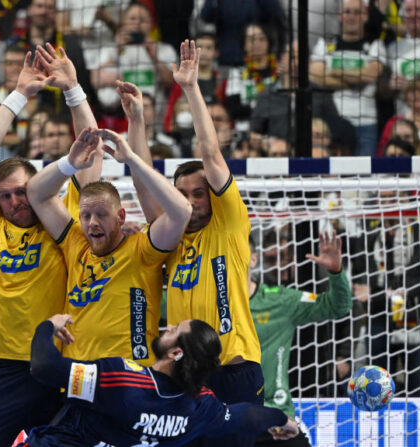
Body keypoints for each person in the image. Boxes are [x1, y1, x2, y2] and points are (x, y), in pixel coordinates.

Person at [0, 45, 104, 447]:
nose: (15, 202)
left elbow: (91, 156)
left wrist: (74, 90)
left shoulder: (59, 223)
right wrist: (20, 92)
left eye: (23, 192)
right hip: (2, 367)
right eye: (5, 196)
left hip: (58, 361)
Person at [162, 40, 261, 447]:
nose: (189, 200)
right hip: (187, 375)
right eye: (181, 193)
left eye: (198, 193)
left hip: (233, 369)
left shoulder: (229, 225)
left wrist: (190, 88)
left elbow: (212, 156)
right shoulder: (170, 238)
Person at [27, 125, 191, 366]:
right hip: (78, 378)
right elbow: (36, 192)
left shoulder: (143, 249)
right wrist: (69, 163)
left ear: (121, 217)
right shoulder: (75, 243)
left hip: (131, 377)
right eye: (86, 215)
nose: (92, 223)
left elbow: (182, 211)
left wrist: (132, 161)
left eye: (102, 214)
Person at [21, 314, 300, 447]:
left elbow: (44, 367)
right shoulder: (199, 406)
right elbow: (245, 414)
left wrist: (47, 326)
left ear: (176, 352)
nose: (168, 326)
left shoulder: (121, 379)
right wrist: (282, 419)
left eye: (175, 330)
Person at [250, 231, 352, 446]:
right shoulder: (201, 301)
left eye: (237, 252)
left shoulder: (280, 299)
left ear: (253, 258)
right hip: (225, 421)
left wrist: (335, 271)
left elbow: (338, 306)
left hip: (276, 420)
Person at [309, 0, 386, 156]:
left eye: (357, 12)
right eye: (348, 12)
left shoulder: (375, 44)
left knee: (364, 177)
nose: (352, 17)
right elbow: (316, 76)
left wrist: (334, 71)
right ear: (340, 15)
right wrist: (356, 79)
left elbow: (370, 75)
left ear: (365, 16)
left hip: (366, 123)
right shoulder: (326, 42)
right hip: (332, 123)